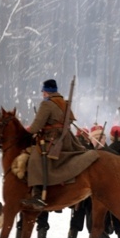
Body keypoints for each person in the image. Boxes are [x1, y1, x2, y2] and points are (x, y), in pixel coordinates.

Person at [22, 79, 85, 209]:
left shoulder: (47, 104)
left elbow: (35, 127)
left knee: (35, 158)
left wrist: (26, 131)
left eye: (43, 91)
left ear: (46, 92)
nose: (42, 94)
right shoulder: (65, 103)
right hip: (68, 140)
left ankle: (38, 194)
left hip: (53, 140)